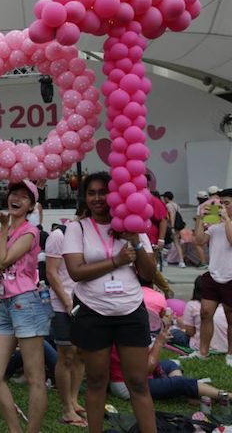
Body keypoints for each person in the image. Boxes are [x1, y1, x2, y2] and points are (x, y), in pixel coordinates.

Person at [62, 172, 157, 433]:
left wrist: (136, 241)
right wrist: (116, 261)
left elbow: (149, 274)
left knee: (138, 382)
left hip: (130, 310)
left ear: (115, 194)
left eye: (103, 192)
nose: (96, 198)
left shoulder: (134, 226)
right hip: (93, 312)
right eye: (91, 193)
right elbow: (75, 271)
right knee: (96, 381)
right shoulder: (77, 228)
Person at [0, 180, 51, 433]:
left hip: (26, 302)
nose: (17, 199)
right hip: (7, 304)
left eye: (24, 197)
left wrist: (1, 232)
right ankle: (15, 429)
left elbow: (4, 260)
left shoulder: (30, 232)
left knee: (35, 377)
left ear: (31, 205)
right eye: (14, 194)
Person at [109, 326, 228, 402]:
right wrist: (158, 344)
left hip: (134, 376)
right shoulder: (127, 337)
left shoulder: (124, 331)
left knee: (170, 364)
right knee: (180, 382)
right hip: (129, 386)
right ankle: (225, 395)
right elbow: (147, 369)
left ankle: (184, 390)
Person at [45, 221, 86, 427]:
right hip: (62, 304)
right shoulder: (58, 236)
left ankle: (73, 399)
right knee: (66, 355)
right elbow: (51, 273)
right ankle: (66, 408)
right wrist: (67, 301)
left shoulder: (91, 236)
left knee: (81, 354)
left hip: (85, 302)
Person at [187, 187, 232, 362]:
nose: (221, 207)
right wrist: (200, 218)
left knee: (230, 317)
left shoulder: (226, 224)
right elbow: (198, 241)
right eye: (220, 203)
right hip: (213, 276)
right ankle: (202, 352)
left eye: (226, 203)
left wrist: (226, 218)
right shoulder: (215, 227)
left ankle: (230, 354)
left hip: (230, 277)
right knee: (205, 313)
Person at [172, 275, 229, 353]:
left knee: (173, 332)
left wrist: (183, 326)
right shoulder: (225, 306)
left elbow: (190, 332)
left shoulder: (192, 305)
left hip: (200, 345)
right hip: (224, 346)